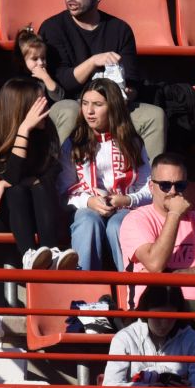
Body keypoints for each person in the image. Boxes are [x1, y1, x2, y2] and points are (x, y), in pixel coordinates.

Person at [32, 0, 168, 155]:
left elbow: (132, 80)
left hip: (112, 107)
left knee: (155, 116)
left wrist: (126, 92)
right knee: (69, 110)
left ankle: (156, 183)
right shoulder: (53, 27)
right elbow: (62, 83)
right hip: (72, 103)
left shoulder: (120, 29)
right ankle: (55, 181)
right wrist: (94, 61)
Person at [0, 78, 76, 272]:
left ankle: (51, 252)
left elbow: (50, 173)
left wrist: (5, 183)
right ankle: (28, 255)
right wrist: (23, 130)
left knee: (39, 184)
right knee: (17, 190)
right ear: (22, 108)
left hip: (35, 206)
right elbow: (10, 176)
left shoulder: (47, 129)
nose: (46, 109)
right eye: (39, 103)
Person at [60, 79, 151, 271]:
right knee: (87, 222)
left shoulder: (133, 143)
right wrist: (89, 202)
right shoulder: (73, 143)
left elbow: (148, 187)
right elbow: (64, 188)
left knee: (119, 225)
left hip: (126, 209)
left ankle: (131, 293)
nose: (89, 111)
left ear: (114, 107)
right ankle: (85, 293)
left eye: (98, 104)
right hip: (87, 208)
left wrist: (126, 200)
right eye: (85, 103)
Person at [117, 155, 195, 313]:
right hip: (152, 308)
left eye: (180, 185)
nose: (173, 192)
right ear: (151, 187)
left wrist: (172, 274)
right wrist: (174, 214)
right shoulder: (135, 220)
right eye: (165, 185)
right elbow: (155, 264)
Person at [101, 283, 195, 388]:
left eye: (170, 318)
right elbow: (110, 385)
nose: (164, 324)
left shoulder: (191, 338)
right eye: (158, 317)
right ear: (145, 310)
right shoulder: (124, 338)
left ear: (179, 314)